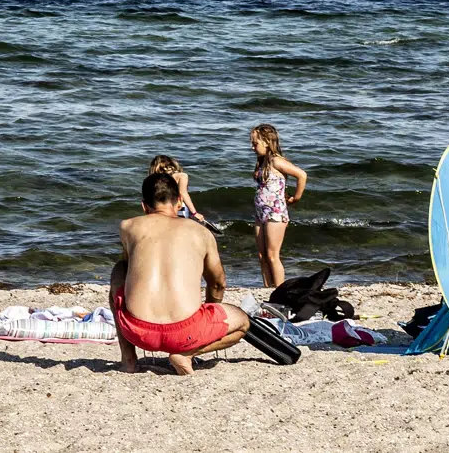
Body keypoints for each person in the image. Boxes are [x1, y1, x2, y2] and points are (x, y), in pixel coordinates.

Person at [110, 172, 249, 375]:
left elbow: (131, 268)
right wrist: (209, 312)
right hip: (186, 334)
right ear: (181, 201)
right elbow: (218, 283)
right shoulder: (202, 233)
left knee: (119, 270)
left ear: (144, 206)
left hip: (137, 331)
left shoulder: (128, 227)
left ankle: (129, 360)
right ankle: (187, 354)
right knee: (243, 322)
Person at [250, 123, 307, 287]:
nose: (252, 147)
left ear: (267, 142)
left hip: (275, 212)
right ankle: (267, 289)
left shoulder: (276, 161)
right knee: (262, 256)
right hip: (261, 212)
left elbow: (301, 175)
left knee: (272, 255)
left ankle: (279, 289)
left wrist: (296, 198)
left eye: (255, 143)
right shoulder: (262, 162)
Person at [148, 155, 203, 222]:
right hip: (178, 207)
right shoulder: (181, 176)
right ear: (172, 163)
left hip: (159, 208)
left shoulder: (154, 180)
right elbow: (183, 193)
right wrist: (194, 213)